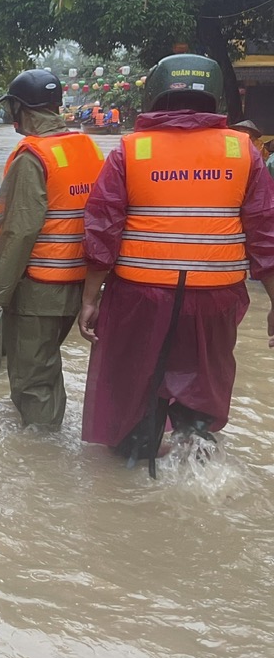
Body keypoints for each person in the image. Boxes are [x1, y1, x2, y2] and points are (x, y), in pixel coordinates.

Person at [77, 54, 274, 466]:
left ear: (155, 95)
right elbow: (266, 236)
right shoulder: (243, 151)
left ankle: (135, 468)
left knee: (134, 391)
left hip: (139, 300)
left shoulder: (131, 150)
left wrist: (89, 299)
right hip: (215, 301)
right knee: (202, 392)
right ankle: (196, 468)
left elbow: (102, 230)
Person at [0, 69, 104, 429]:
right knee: (46, 366)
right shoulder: (87, 146)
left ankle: (40, 456)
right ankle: (47, 431)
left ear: (21, 108)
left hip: (39, 289)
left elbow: (18, 231)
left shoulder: (32, 157)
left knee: (33, 380)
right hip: (81, 286)